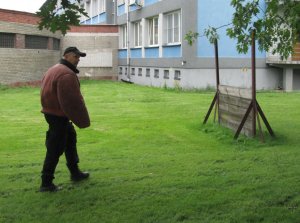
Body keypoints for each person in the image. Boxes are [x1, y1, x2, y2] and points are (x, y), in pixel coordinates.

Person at [40, 47, 90, 192]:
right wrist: (83, 120)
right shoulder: (66, 74)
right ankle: (46, 183)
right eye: (76, 56)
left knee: (70, 140)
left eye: (79, 56)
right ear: (67, 56)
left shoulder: (54, 69)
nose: (78, 59)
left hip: (52, 113)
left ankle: (75, 173)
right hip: (58, 115)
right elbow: (71, 101)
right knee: (55, 148)